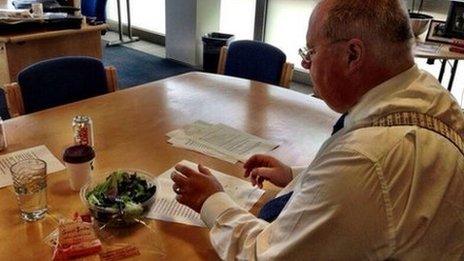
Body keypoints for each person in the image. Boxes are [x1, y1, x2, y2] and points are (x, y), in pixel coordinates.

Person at [171, 0, 464, 259]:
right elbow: (382, 194)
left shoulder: (365, 160)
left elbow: (264, 254)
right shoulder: (429, 96)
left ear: (353, 55)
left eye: (312, 50)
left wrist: (211, 200)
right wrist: (297, 176)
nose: (304, 62)